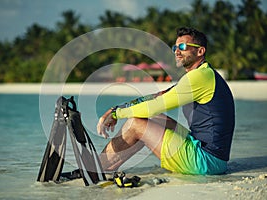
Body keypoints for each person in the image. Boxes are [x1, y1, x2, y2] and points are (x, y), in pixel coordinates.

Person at [97, 27, 235, 175]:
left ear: (200, 51)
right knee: (153, 118)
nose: (177, 51)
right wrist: (115, 108)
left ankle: (95, 169)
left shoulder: (201, 77)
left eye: (182, 47)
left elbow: (156, 105)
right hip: (207, 153)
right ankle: (106, 167)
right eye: (175, 47)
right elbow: (157, 96)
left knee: (136, 124)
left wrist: (117, 114)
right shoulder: (202, 74)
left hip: (206, 161)